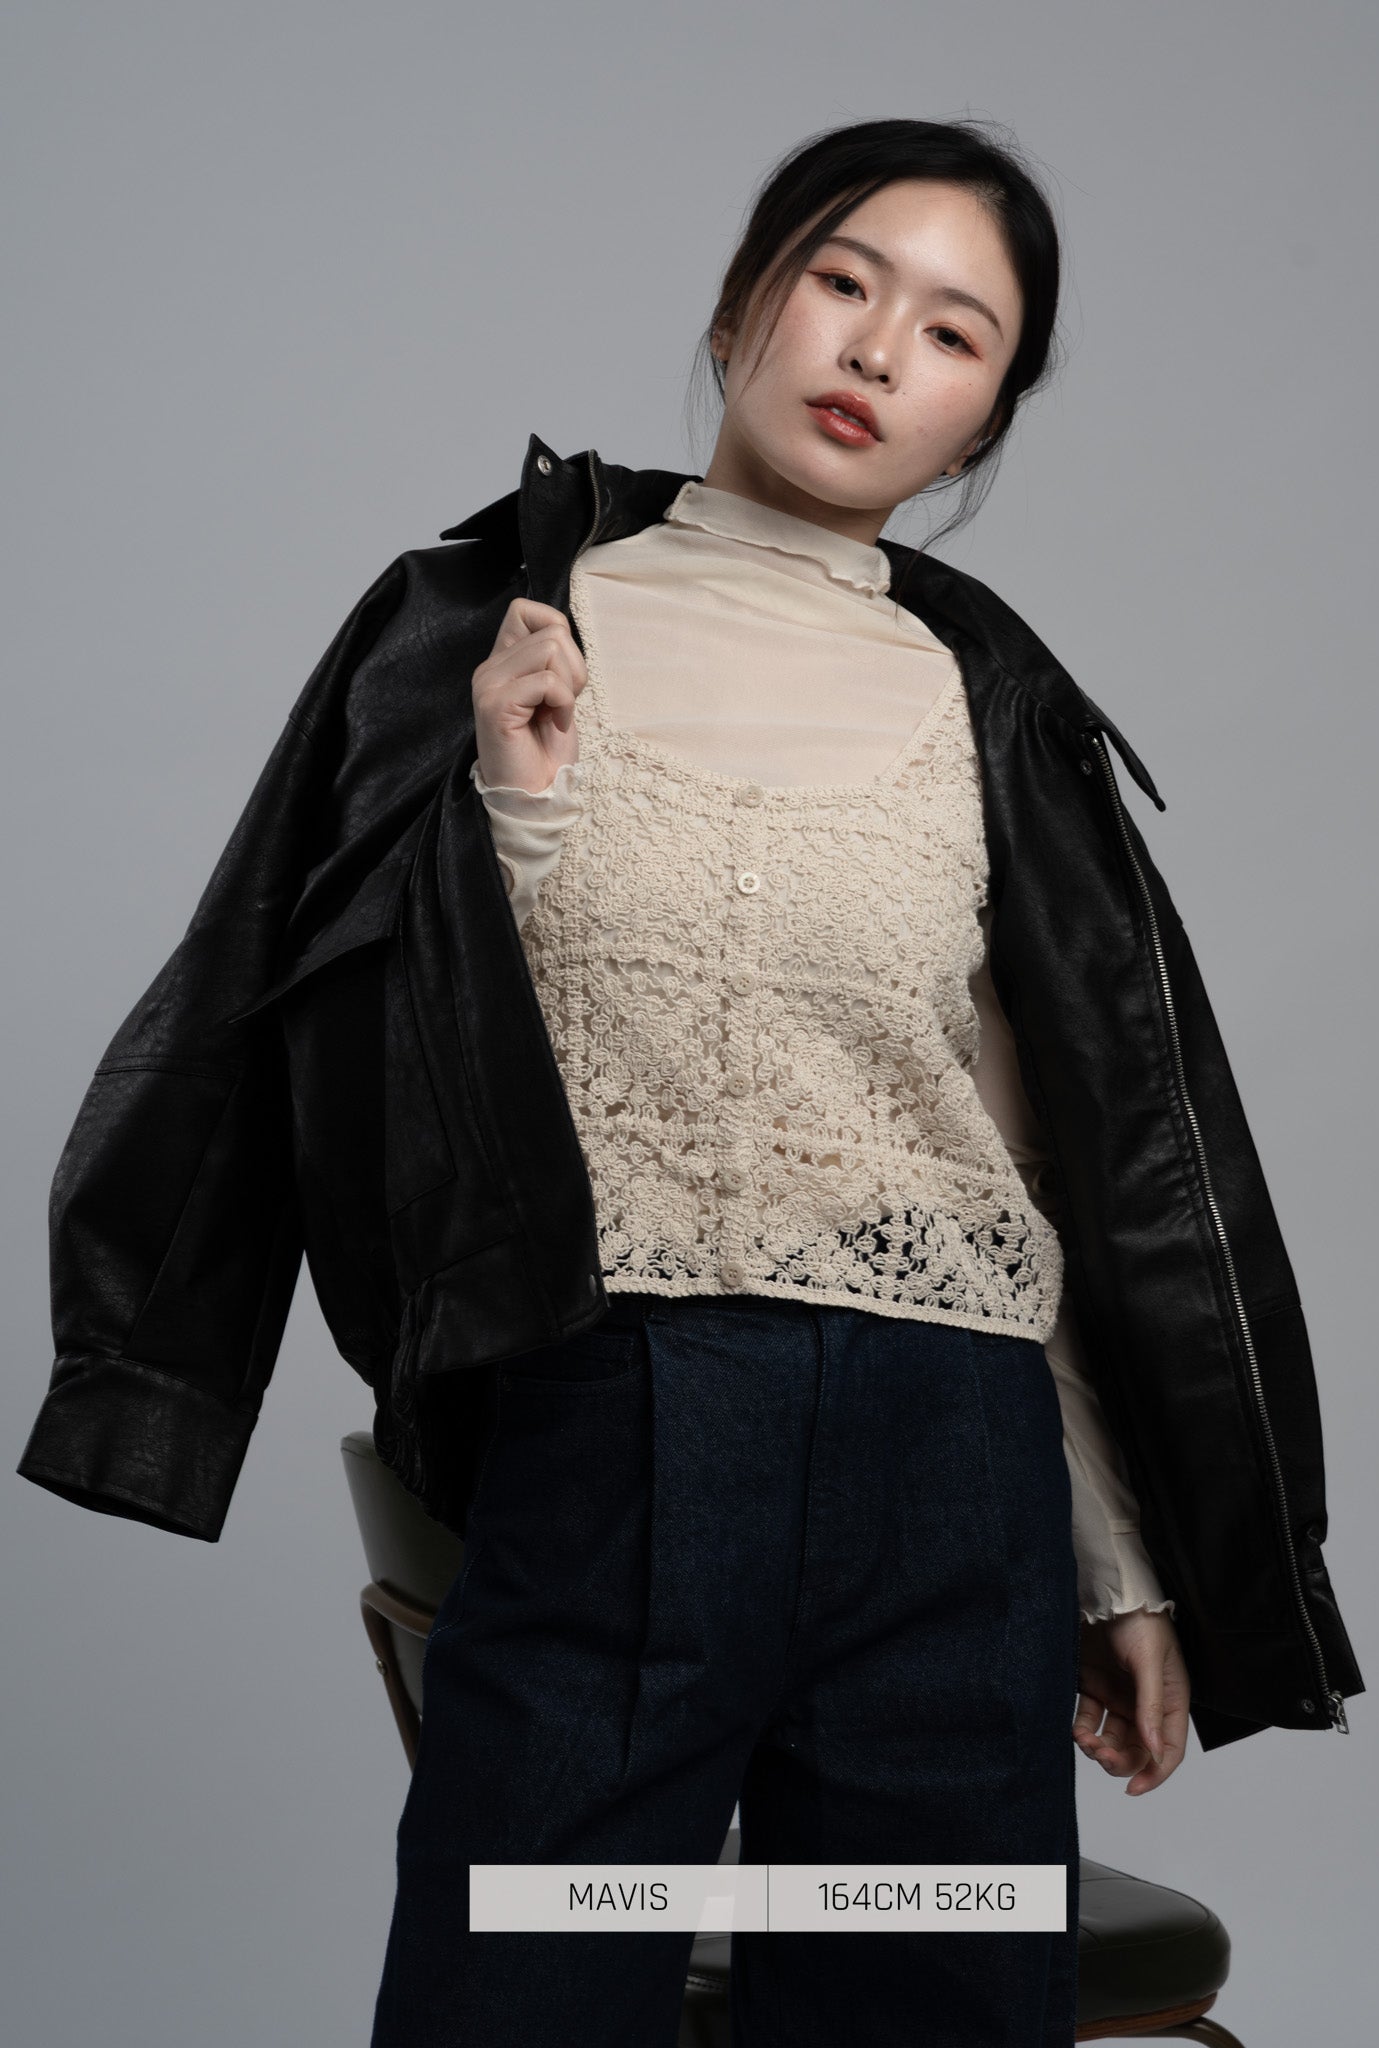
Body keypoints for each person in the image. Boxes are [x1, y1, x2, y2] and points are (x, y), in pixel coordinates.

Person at [372, 118, 1182, 2048]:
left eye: (955, 333)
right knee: (517, 1994)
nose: (879, 349)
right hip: (623, 1426)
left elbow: (1024, 1171)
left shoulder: (990, 708)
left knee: (930, 2013)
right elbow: (393, 1065)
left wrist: (1116, 1565)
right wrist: (516, 817)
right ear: (744, 305)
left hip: (953, 1476)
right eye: (843, 280)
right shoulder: (509, 623)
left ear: (979, 426)